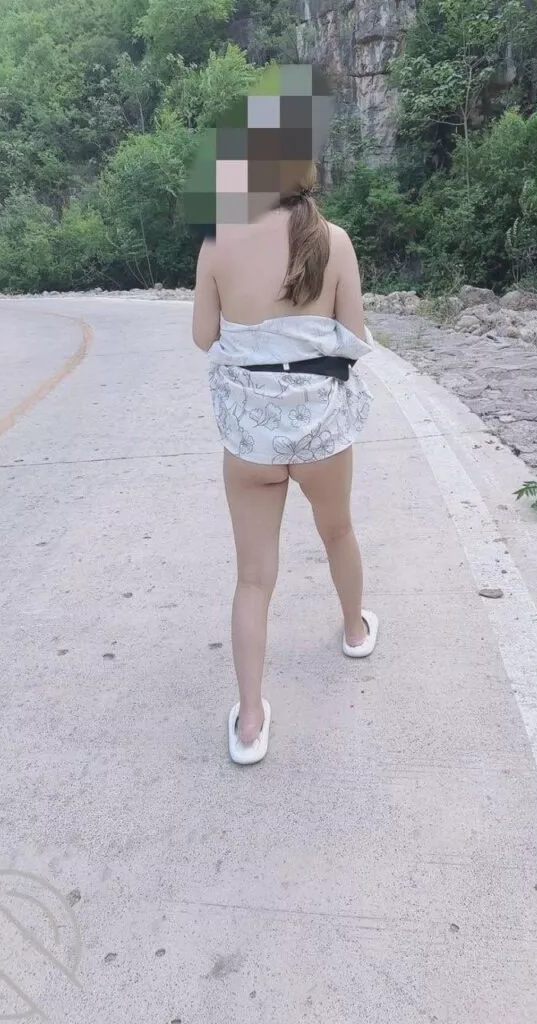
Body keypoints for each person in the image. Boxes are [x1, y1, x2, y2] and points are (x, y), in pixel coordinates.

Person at [192, 160, 379, 766]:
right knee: (338, 532)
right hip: (321, 427)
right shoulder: (334, 240)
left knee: (253, 577)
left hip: (251, 436)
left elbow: (203, 336)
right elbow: (354, 336)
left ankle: (250, 721)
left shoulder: (218, 240)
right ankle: (355, 630)